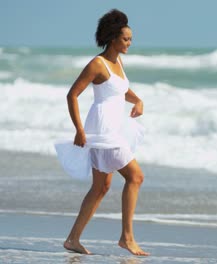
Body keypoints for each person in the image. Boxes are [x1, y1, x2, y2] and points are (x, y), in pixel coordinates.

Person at [54, 9, 149, 256]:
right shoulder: (97, 64)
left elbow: (120, 91)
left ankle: (72, 239)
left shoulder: (118, 62)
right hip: (103, 129)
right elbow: (72, 94)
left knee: (101, 187)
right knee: (136, 177)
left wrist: (137, 99)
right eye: (126, 39)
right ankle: (126, 238)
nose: (129, 43)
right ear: (113, 38)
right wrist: (79, 129)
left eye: (130, 39)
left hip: (115, 128)